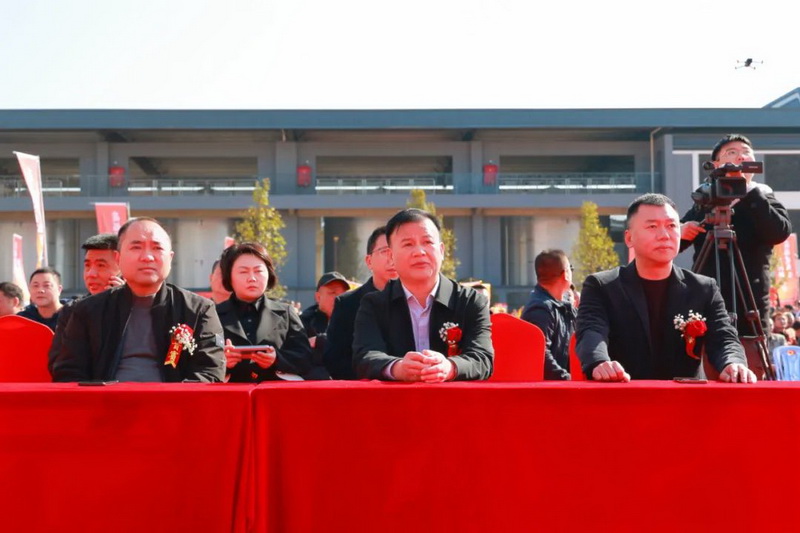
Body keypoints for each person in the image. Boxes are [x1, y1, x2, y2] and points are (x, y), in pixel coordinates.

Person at [577, 193, 755, 383]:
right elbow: (591, 332)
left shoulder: (703, 288)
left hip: (685, 396)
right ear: (629, 238)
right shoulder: (602, 286)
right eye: (652, 226)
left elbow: (724, 338)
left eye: (671, 226)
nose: (664, 235)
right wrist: (600, 362)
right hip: (623, 391)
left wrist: (733, 362)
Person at [51, 217, 225, 382]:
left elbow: (210, 370)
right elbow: (69, 371)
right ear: (118, 258)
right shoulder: (88, 311)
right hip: (105, 402)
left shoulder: (198, 310)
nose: (147, 257)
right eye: (136, 247)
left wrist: (173, 397)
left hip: (174, 402)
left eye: (157, 248)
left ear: (170, 258)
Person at [680, 134, 791, 373]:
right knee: (703, 374)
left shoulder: (763, 196)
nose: (740, 156)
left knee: (750, 374)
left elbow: (779, 232)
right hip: (706, 304)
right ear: (716, 165)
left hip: (750, 306)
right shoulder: (705, 201)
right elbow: (674, 245)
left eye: (745, 152)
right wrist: (680, 230)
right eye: (731, 152)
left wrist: (749, 192)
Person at [353, 208, 493, 381]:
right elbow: (365, 357)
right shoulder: (374, 304)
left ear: (442, 251)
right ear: (390, 256)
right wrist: (397, 367)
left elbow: (482, 358)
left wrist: (450, 367)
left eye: (427, 242)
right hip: (397, 397)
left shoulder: (470, 301)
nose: (419, 252)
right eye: (408, 244)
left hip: (453, 397)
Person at [215, 242, 312, 382]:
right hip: (229, 393)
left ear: (269, 274)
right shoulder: (213, 314)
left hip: (275, 392)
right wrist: (223, 361)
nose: (252, 278)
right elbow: (198, 360)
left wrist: (277, 359)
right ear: (229, 277)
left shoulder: (286, 313)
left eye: (258, 271)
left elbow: (305, 358)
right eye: (243, 272)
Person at [324, 226, 398, 379]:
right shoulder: (347, 304)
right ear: (369, 261)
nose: (392, 259)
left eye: (397, 251)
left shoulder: (418, 300)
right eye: (385, 251)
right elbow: (334, 359)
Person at [49, 233, 124, 374]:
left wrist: (119, 303)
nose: (91, 274)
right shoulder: (73, 310)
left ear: (123, 269)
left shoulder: (138, 308)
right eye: (87, 266)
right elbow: (59, 364)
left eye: (101, 265)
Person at [521, 249, 576, 380]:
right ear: (565, 274)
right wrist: (567, 379)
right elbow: (540, 353)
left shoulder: (563, 307)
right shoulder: (540, 309)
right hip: (547, 388)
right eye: (571, 269)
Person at [299, 271, 350, 378]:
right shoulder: (304, 322)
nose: (339, 298)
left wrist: (320, 340)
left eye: (343, 294)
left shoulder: (355, 318)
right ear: (318, 297)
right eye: (332, 293)